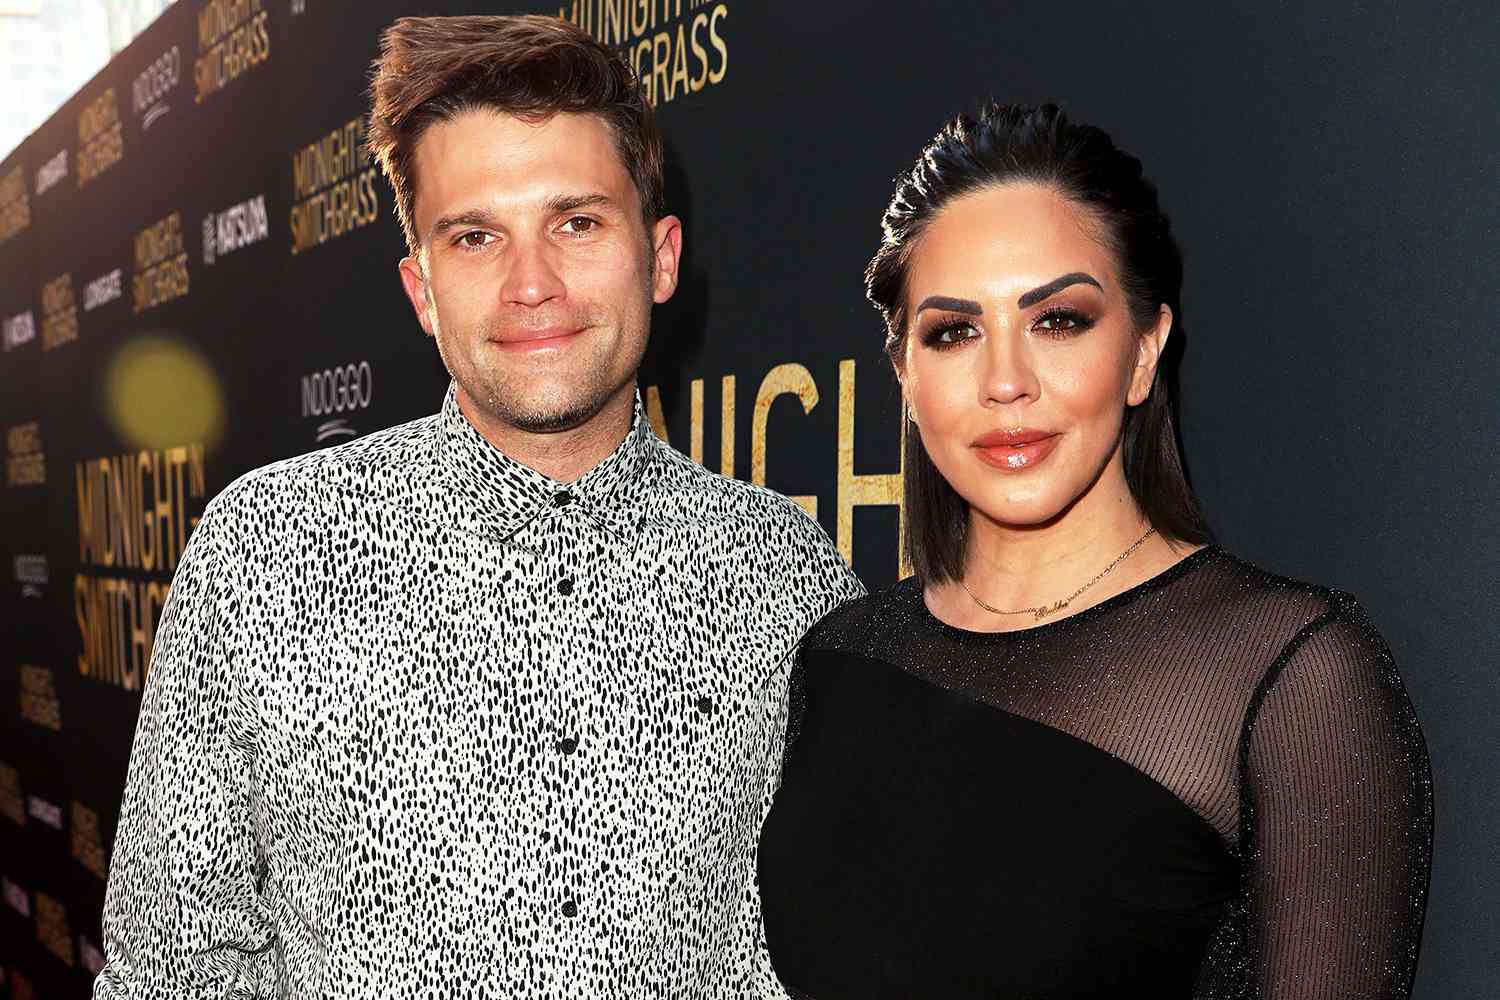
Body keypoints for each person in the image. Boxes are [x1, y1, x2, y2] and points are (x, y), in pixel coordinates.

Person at [94, 15, 859, 999]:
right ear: (421, 288)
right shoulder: (266, 553)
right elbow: (170, 970)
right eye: (475, 236)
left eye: (576, 222)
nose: (531, 284)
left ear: (661, 257)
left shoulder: (786, 572)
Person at [756, 103, 1432, 998]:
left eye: (1059, 321)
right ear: (907, 378)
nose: (1006, 382)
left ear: (1145, 349)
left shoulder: (1288, 680)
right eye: (954, 332)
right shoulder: (842, 655)